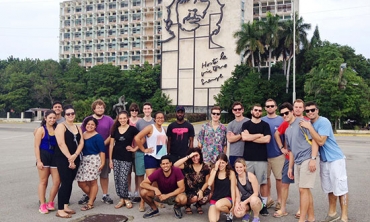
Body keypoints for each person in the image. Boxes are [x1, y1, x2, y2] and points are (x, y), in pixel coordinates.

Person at [300, 101, 349, 222]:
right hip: (324, 160)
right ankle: (332, 213)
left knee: (341, 187)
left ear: (317, 110)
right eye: (308, 111)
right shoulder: (309, 124)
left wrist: (310, 128)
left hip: (335, 158)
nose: (310, 112)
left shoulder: (323, 122)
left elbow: (321, 141)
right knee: (329, 188)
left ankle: (344, 216)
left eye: (313, 110)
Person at [279, 102, 318, 222]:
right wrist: (290, 168)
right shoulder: (287, 130)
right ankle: (311, 218)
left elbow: (315, 140)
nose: (285, 115)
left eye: (286, 112)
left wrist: (313, 159)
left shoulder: (302, 123)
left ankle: (302, 219)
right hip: (297, 162)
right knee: (305, 190)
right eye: (282, 114)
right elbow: (291, 151)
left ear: (292, 112)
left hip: (307, 158)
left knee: (303, 190)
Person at [79, 99, 114, 205]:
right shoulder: (88, 119)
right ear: (94, 108)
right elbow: (81, 132)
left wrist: (102, 144)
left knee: (104, 175)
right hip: (88, 153)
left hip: (105, 151)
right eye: (98, 107)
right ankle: (88, 194)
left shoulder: (109, 120)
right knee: (89, 177)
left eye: (102, 107)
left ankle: (105, 195)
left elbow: (112, 134)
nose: (100, 109)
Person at [274, 99, 305, 218]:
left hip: (302, 158)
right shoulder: (286, 122)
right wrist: (282, 147)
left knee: (302, 186)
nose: (297, 109)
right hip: (288, 157)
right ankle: (283, 209)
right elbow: (277, 134)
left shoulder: (305, 121)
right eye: (295, 107)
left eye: (299, 107)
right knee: (285, 183)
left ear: (303, 108)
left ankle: (301, 209)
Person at [241, 104, 271, 216]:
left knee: (263, 183)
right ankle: (248, 205)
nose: (257, 112)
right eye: (255, 110)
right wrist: (259, 135)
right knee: (247, 183)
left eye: (259, 110)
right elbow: (244, 138)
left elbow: (267, 139)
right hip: (248, 159)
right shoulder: (246, 124)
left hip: (261, 159)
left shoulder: (265, 125)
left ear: (261, 112)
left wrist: (251, 137)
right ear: (251, 111)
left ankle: (263, 206)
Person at [54, 105, 84, 218]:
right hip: (63, 158)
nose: (71, 115)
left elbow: (81, 142)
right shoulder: (61, 126)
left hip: (75, 158)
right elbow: (61, 143)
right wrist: (69, 158)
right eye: (68, 114)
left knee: (70, 182)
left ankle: (66, 205)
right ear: (64, 115)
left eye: (72, 113)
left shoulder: (77, 127)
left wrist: (75, 155)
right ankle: (60, 209)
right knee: (65, 182)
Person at [109, 111, 139, 209]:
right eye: (120, 118)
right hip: (116, 157)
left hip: (127, 157)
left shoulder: (132, 129)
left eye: (124, 118)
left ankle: (126, 198)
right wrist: (110, 160)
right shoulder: (114, 130)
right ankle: (121, 199)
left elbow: (141, 138)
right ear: (118, 119)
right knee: (117, 178)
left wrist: (134, 148)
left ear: (127, 119)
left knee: (123, 178)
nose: (122, 120)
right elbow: (111, 145)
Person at [75, 117, 106, 211]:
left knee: (93, 181)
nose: (90, 126)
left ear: (95, 126)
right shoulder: (82, 134)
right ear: (85, 125)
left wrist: (103, 163)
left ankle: (90, 202)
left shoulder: (98, 137)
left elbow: (102, 151)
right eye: (88, 124)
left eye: (92, 124)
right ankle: (92, 196)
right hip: (83, 160)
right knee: (81, 182)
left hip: (94, 159)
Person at [34, 110, 60, 214]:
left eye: (54, 118)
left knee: (57, 182)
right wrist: (38, 160)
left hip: (55, 157)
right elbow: (36, 146)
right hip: (44, 156)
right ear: (45, 118)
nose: (52, 120)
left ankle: (50, 202)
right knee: (43, 181)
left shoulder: (57, 129)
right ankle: (42, 204)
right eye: (50, 118)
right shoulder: (41, 130)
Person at [261, 99, 284, 210]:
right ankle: (269, 198)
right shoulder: (261, 120)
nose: (270, 108)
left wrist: (284, 149)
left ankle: (279, 201)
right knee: (266, 179)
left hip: (278, 154)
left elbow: (286, 137)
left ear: (276, 107)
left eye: (272, 106)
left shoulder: (281, 120)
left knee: (279, 179)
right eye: (268, 106)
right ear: (265, 108)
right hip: (264, 155)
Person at [173, 148, 211, 215]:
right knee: (194, 198)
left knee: (210, 195)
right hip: (189, 190)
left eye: (196, 156)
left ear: (200, 156)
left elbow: (207, 182)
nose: (195, 158)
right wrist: (189, 156)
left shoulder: (205, 166)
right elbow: (175, 165)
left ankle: (198, 205)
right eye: (193, 156)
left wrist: (201, 191)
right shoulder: (187, 165)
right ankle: (187, 205)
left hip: (201, 189)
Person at [135, 102, 155, 212]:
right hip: (141, 152)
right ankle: (142, 200)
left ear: (151, 110)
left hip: (153, 152)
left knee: (153, 178)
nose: (147, 110)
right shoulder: (139, 123)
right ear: (143, 110)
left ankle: (154, 199)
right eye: (145, 108)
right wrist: (141, 149)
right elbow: (138, 138)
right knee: (140, 176)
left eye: (148, 108)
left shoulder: (155, 121)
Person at [208, 153, 236, 222]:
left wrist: (234, 204)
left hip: (227, 198)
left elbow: (233, 189)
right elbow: (209, 183)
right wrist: (215, 169)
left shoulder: (231, 173)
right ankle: (223, 211)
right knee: (213, 220)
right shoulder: (214, 171)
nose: (221, 165)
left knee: (219, 205)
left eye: (223, 162)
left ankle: (229, 213)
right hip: (215, 198)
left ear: (226, 163)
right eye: (219, 163)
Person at [233, 158, 263, 222]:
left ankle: (256, 217)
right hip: (244, 199)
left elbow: (256, 193)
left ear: (245, 167)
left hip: (255, 199)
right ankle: (247, 213)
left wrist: (244, 202)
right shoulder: (235, 179)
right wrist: (237, 204)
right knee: (237, 213)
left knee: (253, 200)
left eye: (241, 167)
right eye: (237, 167)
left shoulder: (251, 176)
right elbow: (238, 196)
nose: (238, 169)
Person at [226, 102, 250, 168]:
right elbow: (230, 139)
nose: (237, 111)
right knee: (233, 175)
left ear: (243, 110)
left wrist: (235, 136)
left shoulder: (249, 122)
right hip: (233, 154)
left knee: (246, 175)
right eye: (235, 109)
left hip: (246, 153)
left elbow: (248, 138)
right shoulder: (230, 124)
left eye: (239, 109)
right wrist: (241, 134)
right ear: (233, 111)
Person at [128, 103, 142, 203]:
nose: (134, 112)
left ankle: (137, 191)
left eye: (136, 110)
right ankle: (129, 191)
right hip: (128, 148)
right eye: (132, 110)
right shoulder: (126, 120)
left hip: (138, 148)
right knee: (128, 172)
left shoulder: (140, 121)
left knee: (138, 172)